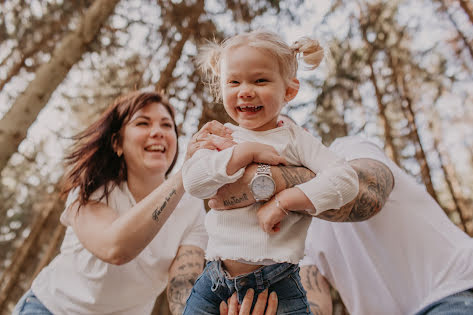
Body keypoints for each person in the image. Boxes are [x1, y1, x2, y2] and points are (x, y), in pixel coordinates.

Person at [213, 114, 473, 315]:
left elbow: (369, 193)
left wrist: (271, 181)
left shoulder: (347, 150)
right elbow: (314, 303)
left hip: (454, 289)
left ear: (303, 136)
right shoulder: (290, 232)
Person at [181, 30, 359, 314]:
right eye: (234, 81)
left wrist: (284, 202)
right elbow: (194, 183)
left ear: (289, 90)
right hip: (214, 284)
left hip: (280, 285)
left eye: (260, 80)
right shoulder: (220, 138)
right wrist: (243, 153)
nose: (245, 90)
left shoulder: (296, 139)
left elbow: (346, 180)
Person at [13, 91, 216, 315]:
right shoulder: (91, 188)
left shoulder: (191, 206)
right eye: (143, 123)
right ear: (117, 143)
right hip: (51, 309)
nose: (158, 132)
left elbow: (184, 286)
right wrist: (185, 174)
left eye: (167, 125)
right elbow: (115, 248)